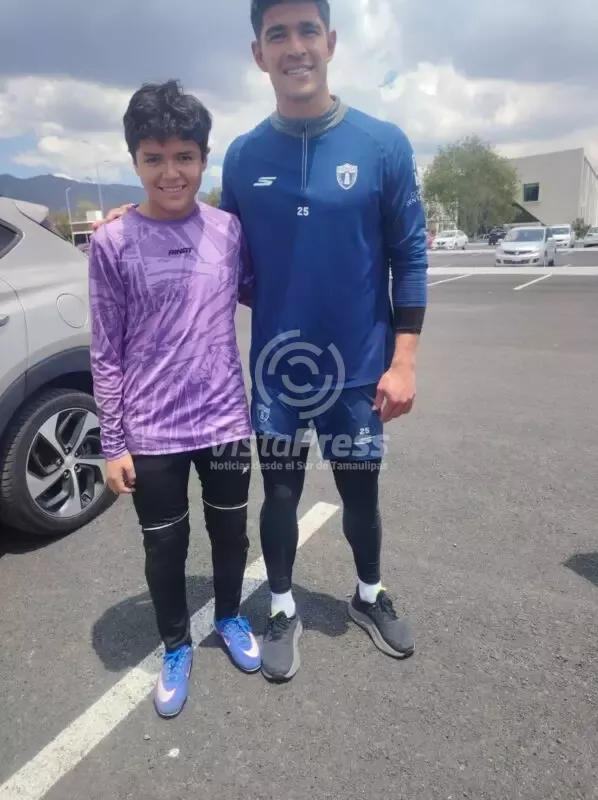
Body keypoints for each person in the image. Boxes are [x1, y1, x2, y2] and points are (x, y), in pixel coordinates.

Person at [95, 0, 429, 684]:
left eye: (307, 30)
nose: (294, 46)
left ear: (330, 41)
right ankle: (279, 608)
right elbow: (215, 244)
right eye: (277, 33)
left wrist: (404, 361)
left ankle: (369, 594)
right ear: (259, 53)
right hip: (278, 376)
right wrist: (135, 221)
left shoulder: (383, 143)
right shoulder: (245, 156)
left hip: (360, 372)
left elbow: (411, 256)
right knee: (278, 497)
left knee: (361, 495)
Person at [88, 80, 261, 719]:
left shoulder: (228, 230)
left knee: (231, 531)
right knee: (164, 547)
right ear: (135, 161)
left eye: (184, 156)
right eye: (154, 157)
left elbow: (263, 291)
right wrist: (112, 443)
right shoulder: (111, 242)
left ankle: (231, 617)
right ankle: (175, 646)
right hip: (152, 429)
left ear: (204, 158)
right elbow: (105, 350)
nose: (170, 172)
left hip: (224, 419)